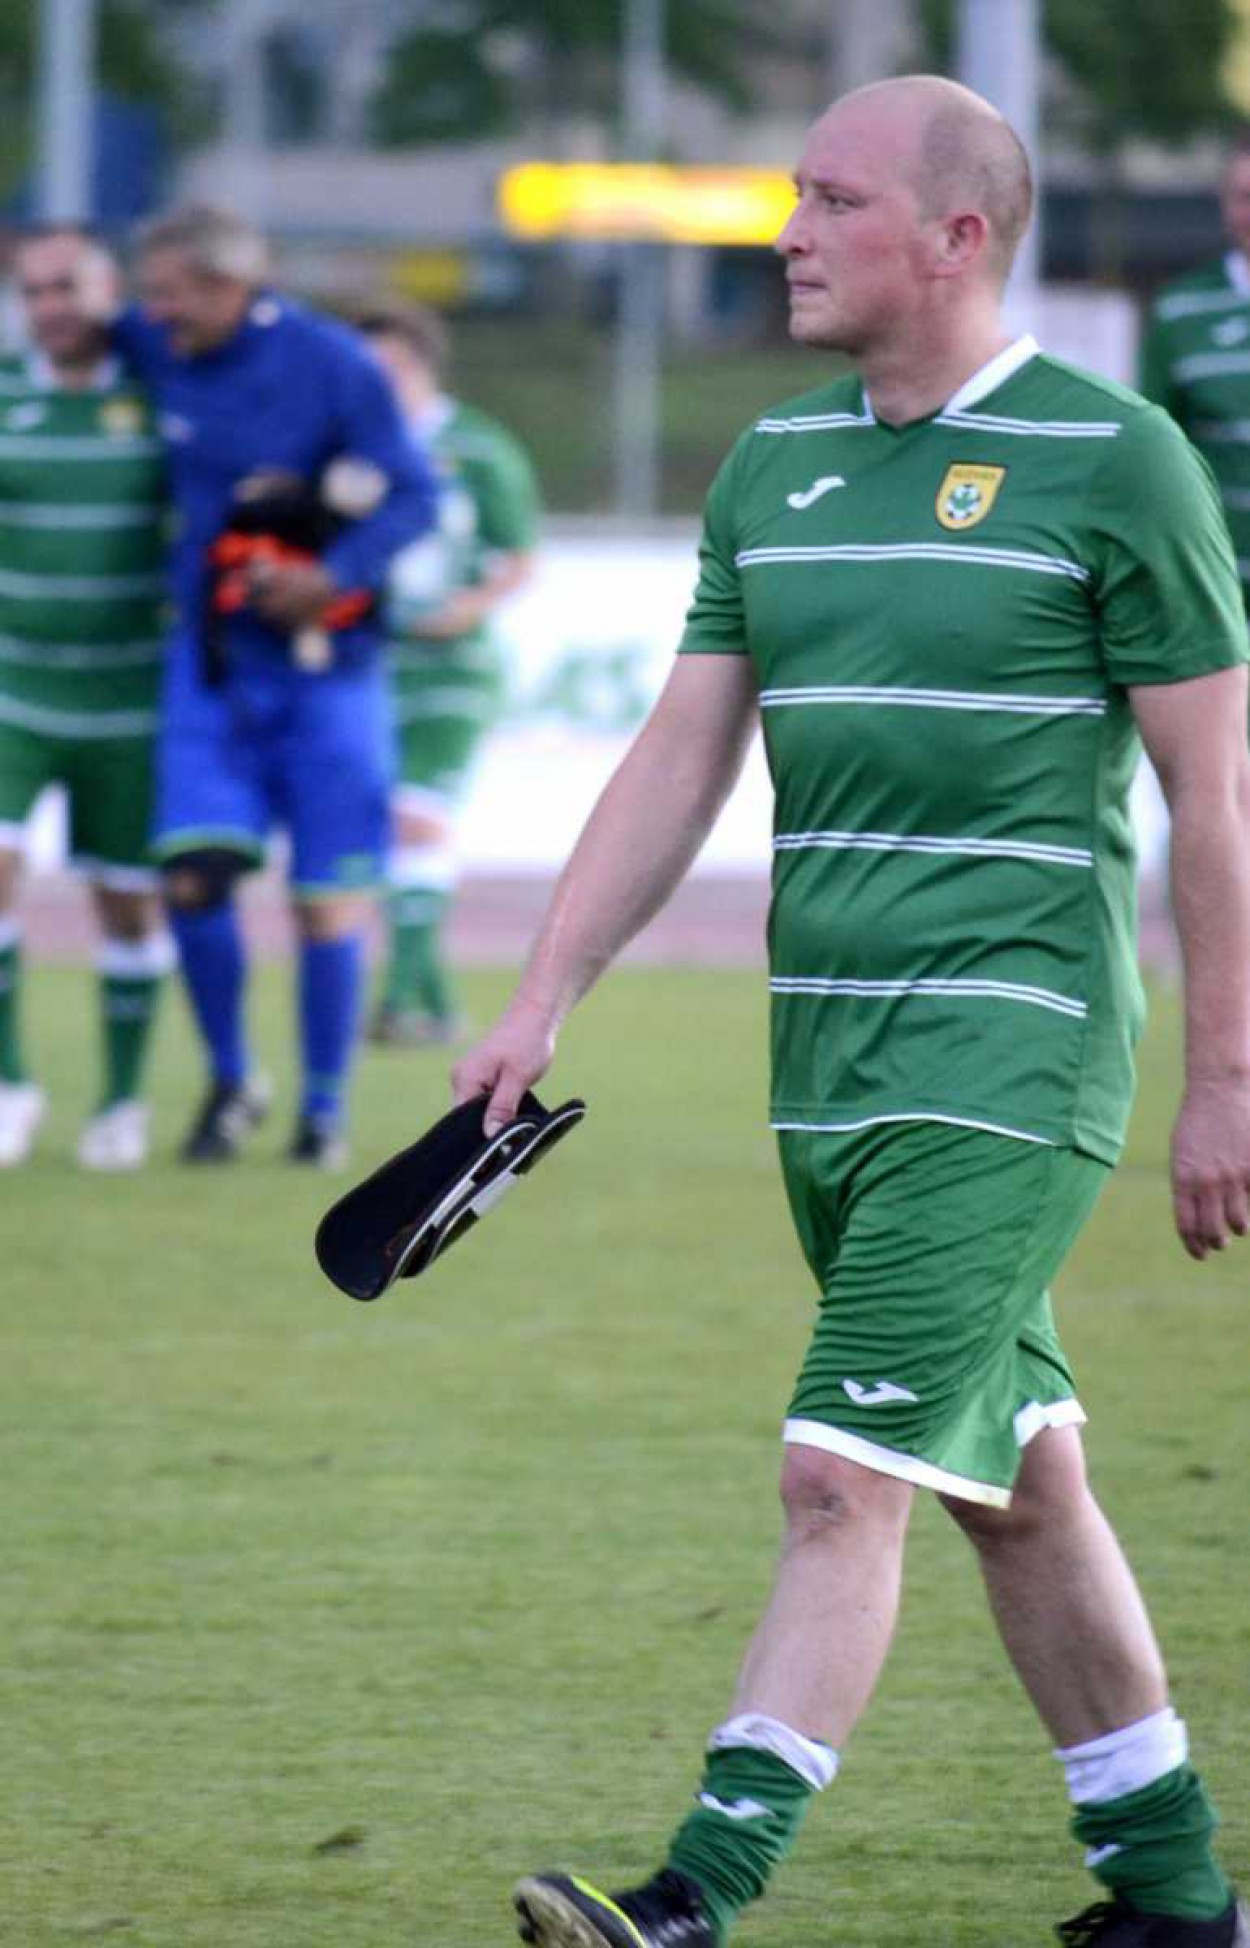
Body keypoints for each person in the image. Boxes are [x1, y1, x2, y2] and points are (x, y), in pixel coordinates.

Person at [453, 76, 1250, 1948]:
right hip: (821, 1060)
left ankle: (693, 1894)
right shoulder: (773, 464)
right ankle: (1175, 1892)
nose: (788, 233)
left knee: (838, 1474)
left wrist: (1225, 1073)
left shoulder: (1117, 458)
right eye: (793, 196)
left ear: (957, 237)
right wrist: (541, 994)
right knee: (1015, 1483)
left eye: (831, 199)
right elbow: (682, 754)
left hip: (1015, 1053)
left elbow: (1214, 794)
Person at [113, 206, 438, 1167]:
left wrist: (329, 579)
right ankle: (232, 1080)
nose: (152, 312)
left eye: (168, 293)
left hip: (329, 674)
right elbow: (86, 327)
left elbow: (415, 495)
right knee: (192, 875)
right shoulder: (155, 344)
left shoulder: (333, 364)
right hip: (212, 668)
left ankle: (323, 1109)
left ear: (226, 285)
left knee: (326, 900)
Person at [0, 226, 174, 1170]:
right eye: (33, 291)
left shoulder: (160, 397)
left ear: (112, 290)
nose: (50, 307)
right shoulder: (4, 393)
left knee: (127, 904)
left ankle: (120, 1102)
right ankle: (9, 1085)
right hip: (12, 688)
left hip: (130, 698)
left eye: (67, 286)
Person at [356, 303, 539, 1047]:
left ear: (425, 368)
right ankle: (435, 1002)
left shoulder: (478, 447)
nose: (378, 384)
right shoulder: (350, 449)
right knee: (390, 827)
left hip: (453, 670)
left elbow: (520, 555)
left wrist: (467, 607)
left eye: (391, 368)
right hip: (371, 665)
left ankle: (400, 999)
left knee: (417, 815)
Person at [1140, 128, 1250, 612]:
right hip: (1218, 594)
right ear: (1225, 204)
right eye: (1244, 197)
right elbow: (1155, 452)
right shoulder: (1179, 311)